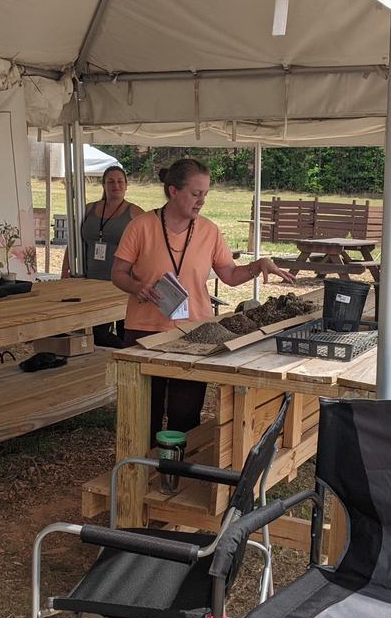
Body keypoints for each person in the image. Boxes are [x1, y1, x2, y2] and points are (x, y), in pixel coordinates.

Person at [111, 158, 294, 439]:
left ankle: (176, 474)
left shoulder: (209, 230)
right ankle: (141, 474)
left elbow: (230, 276)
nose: (202, 201)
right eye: (196, 194)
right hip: (143, 333)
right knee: (142, 413)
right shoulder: (141, 226)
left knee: (185, 415)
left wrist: (259, 265)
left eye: (205, 194)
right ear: (173, 191)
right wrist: (137, 287)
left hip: (193, 336)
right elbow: (118, 273)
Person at [62, 165, 145, 347]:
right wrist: (65, 268)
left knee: (126, 330)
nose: (116, 185)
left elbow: (147, 245)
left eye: (120, 181)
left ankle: (124, 353)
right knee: (96, 332)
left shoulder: (135, 213)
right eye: (111, 181)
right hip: (91, 281)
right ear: (103, 185)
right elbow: (74, 240)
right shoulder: (89, 209)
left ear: (126, 185)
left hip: (123, 283)